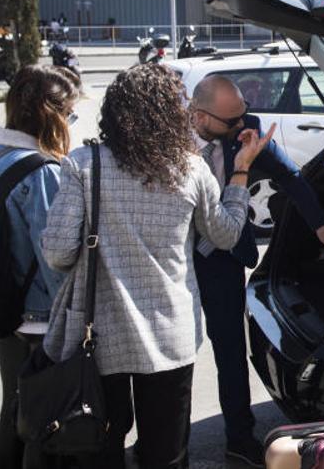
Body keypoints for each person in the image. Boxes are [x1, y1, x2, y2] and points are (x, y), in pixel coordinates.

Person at [41, 64, 262, 469]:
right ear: (172, 114)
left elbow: (57, 253)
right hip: (169, 337)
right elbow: (227, 235)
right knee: (167, 454)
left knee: (99, 447)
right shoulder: (191, 168)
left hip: (99, 335)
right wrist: (241, 171)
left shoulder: (84, 164)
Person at [187, 75, 324, 467]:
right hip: (175, 258)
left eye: (244, 114)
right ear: (198, 116)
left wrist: (320, 224)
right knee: (169, 356)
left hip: (223, 258)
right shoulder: (170, 137)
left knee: (229, 351)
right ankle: (165, 441)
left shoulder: (248, 132)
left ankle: (239, 438)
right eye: (232, 121)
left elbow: (290, 176)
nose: (242, 126)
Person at [0, 65, 79, 469]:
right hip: (42, 319)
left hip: (0, 309)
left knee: (13, 407)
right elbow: (55, 256)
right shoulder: (42, 171)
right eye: (71, 114)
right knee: (43, 422)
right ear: (54, 114)